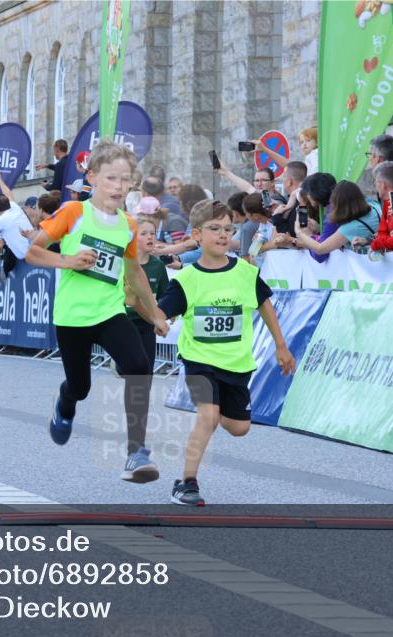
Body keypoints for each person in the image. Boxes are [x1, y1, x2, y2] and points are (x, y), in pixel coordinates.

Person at [24, 140, 169, 483]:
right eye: (111, 178)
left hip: (109, 312)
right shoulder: (74, 213)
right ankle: (65, 402)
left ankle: (136, 452)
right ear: (92, 178)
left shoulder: (128, 225)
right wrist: (69, 260)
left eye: (125, 179)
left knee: (138, 365)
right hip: (72, 316)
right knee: (80, 387)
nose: (119, 186)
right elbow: (33, 252)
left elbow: (134, 271)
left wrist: (155, 313)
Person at [158, 199, 296, 506]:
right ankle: (186, 483)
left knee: (239, 428)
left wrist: (281, 345)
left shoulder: (245, 272)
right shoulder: (187, 279)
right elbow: (162, 313)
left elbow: (265, 304)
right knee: (208, 415)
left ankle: (218, 411)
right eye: (214, 228)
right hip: (199, 361)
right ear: (196, 235)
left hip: (236, 363)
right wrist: (157, 320)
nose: (223, 235)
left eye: (228, 229)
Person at [120, 218, 169, 384]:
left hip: (148, 323)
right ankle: (119, 364)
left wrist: (168, 313)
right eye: (144, 233)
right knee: (128, 368)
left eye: (153, 233)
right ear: (133, 238)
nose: (150, 237)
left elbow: (164, 296)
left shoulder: (158, 266)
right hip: (125, 322)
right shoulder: (122, 263)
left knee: (146, 371)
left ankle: (141, 399)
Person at [294, 180, 379, 255]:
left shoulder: (349, 228)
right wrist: (319, 229)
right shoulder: (374, 205)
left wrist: (300, 233)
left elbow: (320, 250)